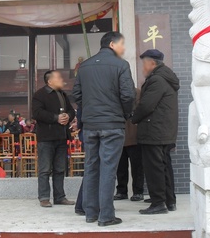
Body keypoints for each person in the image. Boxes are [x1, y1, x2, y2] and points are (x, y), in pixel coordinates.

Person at [72, 31, 136, 227]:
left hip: (91, 125)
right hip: (112, 124)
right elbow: (128, 96)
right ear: (111, 44)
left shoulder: (84, 67)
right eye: (121, 44)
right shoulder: (121, 65)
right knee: (108, 169)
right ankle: (106, 215)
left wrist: (90, 112)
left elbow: (77, 95)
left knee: (91, 167)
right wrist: (125, 114)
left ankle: (91, 213)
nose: (123, 48)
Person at [132, 49, 179, 215]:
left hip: (154, 131)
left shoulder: (156, 80)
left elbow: (146, 105)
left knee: (154, 168)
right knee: (164, 166)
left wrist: (133, 117)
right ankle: (169, 201)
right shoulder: (165, 78)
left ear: (151, 63)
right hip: (163, 131)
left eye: (143, 63)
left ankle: (158, 203)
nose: (143, 67)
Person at [32, 70, 76, 208]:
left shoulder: (63, 94)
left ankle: (60, 197)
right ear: (49, 81)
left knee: (60, 169)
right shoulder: (40, 94)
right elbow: (37, 113)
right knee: (45, 169)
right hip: (46, 137)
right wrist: (56, 118)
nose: (61, 79)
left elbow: (70, 110)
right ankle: (44, 197)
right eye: (58, 77)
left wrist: (68, 116)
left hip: (61, 136)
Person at [114, 117, 144, 202]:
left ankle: (138, 191)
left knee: (137, 167)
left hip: (135, 137)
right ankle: (121, 191)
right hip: (119, 137)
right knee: (120, 168)